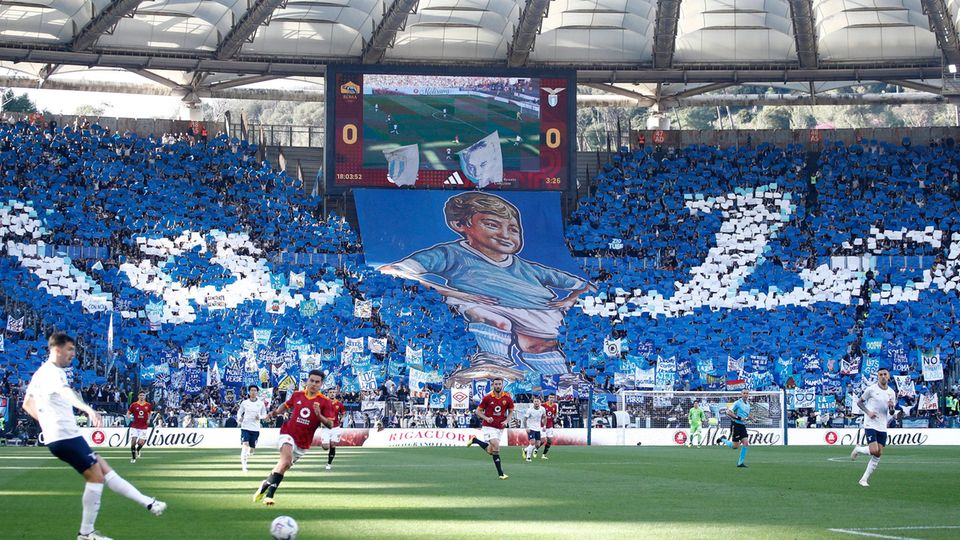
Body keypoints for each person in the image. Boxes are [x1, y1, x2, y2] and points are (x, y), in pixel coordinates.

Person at [380, 192, 595, 384]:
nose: (505, 234)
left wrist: (570, 299)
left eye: (513, 229)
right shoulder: (451, 254)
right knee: (489, 316)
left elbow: (587, 286)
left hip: (537, 309)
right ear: (461, 224)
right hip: (484, 305)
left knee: (539, 344)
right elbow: (393, 270)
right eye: (492, 224)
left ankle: (563, 380)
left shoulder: (529, 269)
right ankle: (494, 359)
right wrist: (452, 293)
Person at [23, 333, 166, 540]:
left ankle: (149, 503)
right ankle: (86, 533)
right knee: (96, 476)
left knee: (103, 468)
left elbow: (27, 404)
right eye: (70, 349)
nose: (73, 353)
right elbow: (65, 393)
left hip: (62, 436)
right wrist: (87, 410)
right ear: (57, 350)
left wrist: (46, 425)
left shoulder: (39, 374)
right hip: (65, 436)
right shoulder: (54, 373)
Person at [253, 370, 335, 505]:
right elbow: (284, 406)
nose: (313, 384)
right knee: (285, 460)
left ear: (321, 384)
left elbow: (330, 424)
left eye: (317, 382)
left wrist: (319, 415)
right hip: (288, 433)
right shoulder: (297, 395)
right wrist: (272, 414)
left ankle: (265, 484)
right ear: (307, 381)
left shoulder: (325, 402)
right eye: (311, 381)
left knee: (283, 466)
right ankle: (269, 495)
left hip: (303, 442)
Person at [850, 367, 896, 487]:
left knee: (878, 454)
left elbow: (891, 413)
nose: (883, 376)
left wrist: (892, 408)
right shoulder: (871, 389)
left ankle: (864, 479)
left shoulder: (891, 393)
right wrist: (868, 412)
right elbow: (859, 402)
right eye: (880, 374)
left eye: (885, 374)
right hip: (870, 423)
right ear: (877, 376)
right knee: (874, 450)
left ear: (889, 376)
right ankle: (858, 449)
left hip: (882, 425)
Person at [467, 377, 514, 479]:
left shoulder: (507, 398)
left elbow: (511, 411)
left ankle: (475, 440)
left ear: (502, 385)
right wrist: (486, 418)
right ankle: (501, 474)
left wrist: (506, 421)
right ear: (493, 385)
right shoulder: (487, 398)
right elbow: (478, 411)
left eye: (499, 384)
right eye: (496, 384)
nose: (497, 386)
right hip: (488, 427)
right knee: (496, 446)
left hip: (500, 427)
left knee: (491, 451)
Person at [237, 385, 268, 472]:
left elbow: (264, 414)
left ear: (257, 392)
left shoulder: (261, 404)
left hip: (255, 429)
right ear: (249, 392)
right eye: (251, 390)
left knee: (251, 450)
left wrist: (260, 417)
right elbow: (239, 412)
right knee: (245, 445)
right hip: (245, 427)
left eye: (255, 390)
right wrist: (239, 418)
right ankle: (244, 466)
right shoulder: (244, 403)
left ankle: (248, 454)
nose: (253, 392)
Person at [720, 389, 751, 467]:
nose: (745, 395)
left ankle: (740, 463)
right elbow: (728, 412)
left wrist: (749, 417)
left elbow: (745, 416)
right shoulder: (737, 403)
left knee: (746, 443)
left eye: (747, 393)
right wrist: (739, 418)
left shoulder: (748, 404)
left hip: (742, 426)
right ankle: (722, 439)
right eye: (744, 393)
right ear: (741, 394)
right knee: (735, 446)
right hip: (736, 425)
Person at [320, 388, 347, 470]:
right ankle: (324, 442)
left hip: (335, 427)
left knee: (333, 445)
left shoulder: (339, 404)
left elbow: (343, 413)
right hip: (326, 428)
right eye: (330, 392)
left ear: (336, 394)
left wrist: (342, 418)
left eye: (333, 392)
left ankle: (329, 463)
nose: (332, 394)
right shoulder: (323, 403)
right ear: (327, 393)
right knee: (325, 447)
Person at [126, 390, 152, 463]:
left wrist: (149, 419)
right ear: (138, 396)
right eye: (140, 395)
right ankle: (133, 458)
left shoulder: (148, 405)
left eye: (143, 395)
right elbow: (128, 413)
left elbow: (149, 413)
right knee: (133, 441)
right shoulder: (134, 405)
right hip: (135, 426)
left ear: (145, 396)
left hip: (143, 426)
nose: (142, 397)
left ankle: (138, 450)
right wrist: (129, 417)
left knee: (140, 443)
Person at [521, 397, 546, 462]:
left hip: (538, 428)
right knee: (532, 443)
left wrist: (544, 425)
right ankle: (528, 457)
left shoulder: (542, 409)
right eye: (535, 401)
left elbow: (544, 417)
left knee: (537, 445)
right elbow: (524, 419)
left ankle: (525, 450)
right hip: (531, 428)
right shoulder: (530, 410)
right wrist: (526, 427)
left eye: (537, 401)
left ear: (540, 402)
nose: (536, 403)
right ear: (533, 402)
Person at [540, 393, 558, 459]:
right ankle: (534, 449)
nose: (551, 399)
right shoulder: (543, 405)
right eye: (550, 397)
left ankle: (543, 455)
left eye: (553, 397)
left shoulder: (555, 406)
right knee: (542, 441)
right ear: (548, 398)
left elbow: (555, 413)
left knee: (549, 441)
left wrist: (555, 417)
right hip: (542, 426)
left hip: (550, 425)